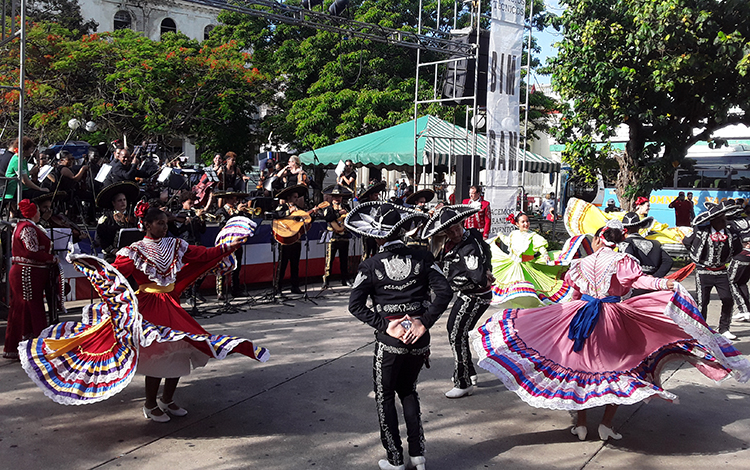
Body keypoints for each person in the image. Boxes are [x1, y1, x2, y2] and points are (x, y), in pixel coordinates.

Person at [472, 219, 750, 442]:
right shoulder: (621, 261)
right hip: (612, 317)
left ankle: (580, 424)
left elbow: (574, 294)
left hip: (580, 315)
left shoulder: (581, 263)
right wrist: (665, 285)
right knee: (619, 366)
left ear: (597, 239)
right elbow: (640, 281)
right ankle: (605, 423)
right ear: (620, 240)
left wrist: (556, 316)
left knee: (578, 367)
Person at [17, 202, 268, 412]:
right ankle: (150, 404)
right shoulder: (133, 251)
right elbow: (116, 273)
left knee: (180, 350)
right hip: (148, 305)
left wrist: (229, 245)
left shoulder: (176, 245)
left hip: (171, 304)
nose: (164, 226)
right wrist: (91, 265)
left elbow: (203, 255)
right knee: (158, 354)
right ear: (146, 225)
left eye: (166, 223)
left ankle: (167, 399)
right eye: (160, 223)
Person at [346, 201, 452, 470]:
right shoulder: (423, 257)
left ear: (377, 234)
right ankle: (418, 456)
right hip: (418, 339)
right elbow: (445, 292)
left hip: (391, 340)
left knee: (384, 396)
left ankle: (395, 458)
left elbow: (355, 305)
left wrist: (385, 325)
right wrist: (423, 323)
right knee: (408, 391)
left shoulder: (370, 265)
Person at [421, 205, 493, 399]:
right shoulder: (466, 238)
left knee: (456, 332)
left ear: (462, 223)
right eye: (449, 230)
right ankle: (469, 372)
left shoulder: (468, 245)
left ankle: (463, 381)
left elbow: (476, 276)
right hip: (470, 294)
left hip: (475, 295)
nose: (454, 233)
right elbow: (487, 251)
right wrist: (487, 267)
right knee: (456, 331)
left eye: (457, 228)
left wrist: (482, 272)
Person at [3, 199, 59, 359]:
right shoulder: (27, 228)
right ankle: (35, 345)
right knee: (31, 307)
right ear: (33, 213)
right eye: (38, 211)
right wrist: (51, 258)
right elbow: (31, 252)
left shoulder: (25, 226)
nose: (40, 213)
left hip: (27, 273)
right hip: (26, 273)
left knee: (25, 307)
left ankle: (20, 345)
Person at [682, 200, 743, 340]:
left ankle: (724, 328)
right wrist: (696, 257)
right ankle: (701, 329)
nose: (724, 222)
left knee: (728, 299)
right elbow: (686, 241)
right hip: (703, 271)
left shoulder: (731, 232)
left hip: (721, 271)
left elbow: (737, 248)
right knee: (702, 301)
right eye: (721, 220)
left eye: (724, 220)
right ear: (713, 221)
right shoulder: (701, 231)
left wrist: (726, 258)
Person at [489, 211, 569, 309]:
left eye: (527, 221)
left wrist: (545, 254)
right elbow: (508, 241)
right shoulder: (513, 234)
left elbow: (540, 246)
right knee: (512, 290)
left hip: (527, 267)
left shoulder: (533, 236)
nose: (526, 224)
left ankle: (526, 310)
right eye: (523, 222)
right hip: (513, 266)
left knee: (528, 291)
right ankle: (516, 309)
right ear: (517, 224)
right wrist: (500, 236)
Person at [619, 212, 673, 295]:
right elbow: (668, 261)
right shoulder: (655, 244)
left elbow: (626, 265)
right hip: (653, 287)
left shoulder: (625, 244)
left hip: (634, 287)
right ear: (639, 227)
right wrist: (655, 277)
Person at [271, 184, 311, 295]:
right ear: (289, 198)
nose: (296, 199)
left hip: (296, 239)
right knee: (282, 265)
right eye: (294, 197)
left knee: (295, 265)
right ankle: (277, 288)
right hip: (284, 239)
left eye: (297, 197)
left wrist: (312, 215)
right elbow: (275, 214)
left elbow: (305, 222)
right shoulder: (283, 207)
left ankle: (295, 286)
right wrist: (289, 212)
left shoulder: (300, 210)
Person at [95, 181, 140, 261]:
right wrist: (112, 250)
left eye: (124, 200)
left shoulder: (133, 216)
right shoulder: (106, 219)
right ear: (113, 203)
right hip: (113, 256)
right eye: (120, 200)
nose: (123, 202)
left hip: (132, 254)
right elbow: (99, 238)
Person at [3, 137, 50, 211]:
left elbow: (24, 174)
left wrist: (32, 170)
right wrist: (40, 189)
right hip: (15, 189)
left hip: (23, 188)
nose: (32, 151)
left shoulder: (23, 159)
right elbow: (25, 181)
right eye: (31, 148)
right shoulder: (17, 160)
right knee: (43, 195)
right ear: (25, 149)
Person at [321, 184, 353, 287]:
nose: (337, 199)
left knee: (344, 260)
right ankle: (326, 280)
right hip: (333, 237)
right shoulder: (328, 208)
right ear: (332, 197)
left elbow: (351, 218)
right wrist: (339, 213)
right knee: (329, 259)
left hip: (344, 236)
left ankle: (345, 279)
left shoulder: (346, 207)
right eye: (335, 197)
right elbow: (328, 218)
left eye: (339, 196)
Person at [358, 181, 387, 260]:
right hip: (367, 233)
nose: (377, 197)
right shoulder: (364, 205)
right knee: (366, 252)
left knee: (376, 252)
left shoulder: (379, 204)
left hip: (377, 232)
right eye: (375, 196)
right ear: (370, 196)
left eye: (377, 196)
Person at [729, 235, 750, 323]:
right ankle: (747, 310)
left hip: (741, 256)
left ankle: (743, 309)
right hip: (746, 257)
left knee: (731, 282)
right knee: (741, 283)